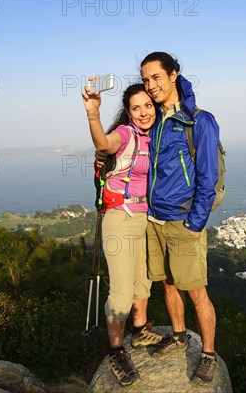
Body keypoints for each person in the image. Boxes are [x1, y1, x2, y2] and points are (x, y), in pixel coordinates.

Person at [140, 52, 220, 384]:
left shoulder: (199, 120)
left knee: (196, 291)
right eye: (145, 80)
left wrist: (195, 224)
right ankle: (178, 336)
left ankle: (208, 354)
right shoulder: (152, 119)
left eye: (156, 77)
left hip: (183, 221)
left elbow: (208, 178)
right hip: (154, 219)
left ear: (173, 75)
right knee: (168, 283)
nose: (150, 85)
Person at [82, 82, 163, 386]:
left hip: (145, 218)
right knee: (121, 290)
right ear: (128, 113)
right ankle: (116, 350)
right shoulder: (127, 134)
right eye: (136, 108)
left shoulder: (154, 135)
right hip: (120, 217)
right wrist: (93, 114)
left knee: (143, 279)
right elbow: (104, 144)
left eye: (148, 106)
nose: (143, 112)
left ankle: (140, 330)